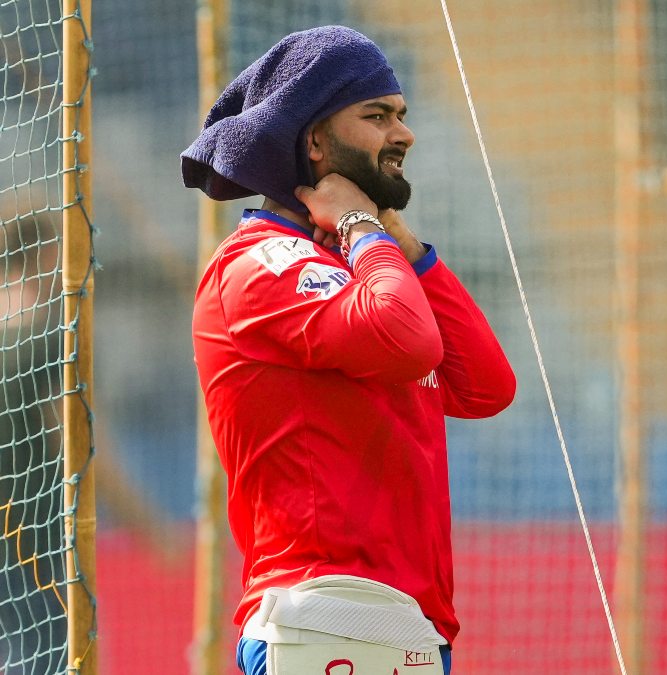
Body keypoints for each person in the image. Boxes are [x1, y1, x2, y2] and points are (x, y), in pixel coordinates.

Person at [182, 26, 516, 675]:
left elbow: (485, 387)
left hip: (385, 626)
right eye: (377, 115)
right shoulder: (261, 263)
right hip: (329, 616)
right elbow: (406, 337)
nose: (405, 133)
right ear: (314, 140)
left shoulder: (361, 260)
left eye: (402, 115)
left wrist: (397, 240)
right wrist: (363, 226)